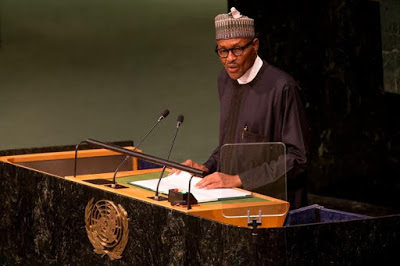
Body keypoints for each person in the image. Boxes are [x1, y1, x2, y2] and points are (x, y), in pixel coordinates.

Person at [178, 7, 309, 209]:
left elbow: (298, 159)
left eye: (237, 49)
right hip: (232, 201)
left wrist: (239, 179)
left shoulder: (282, 87)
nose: (230, 58)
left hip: (273, 206)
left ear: (255, 45)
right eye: (222, 50)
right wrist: (206, 167)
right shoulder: (224, 80)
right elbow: (232, 143)